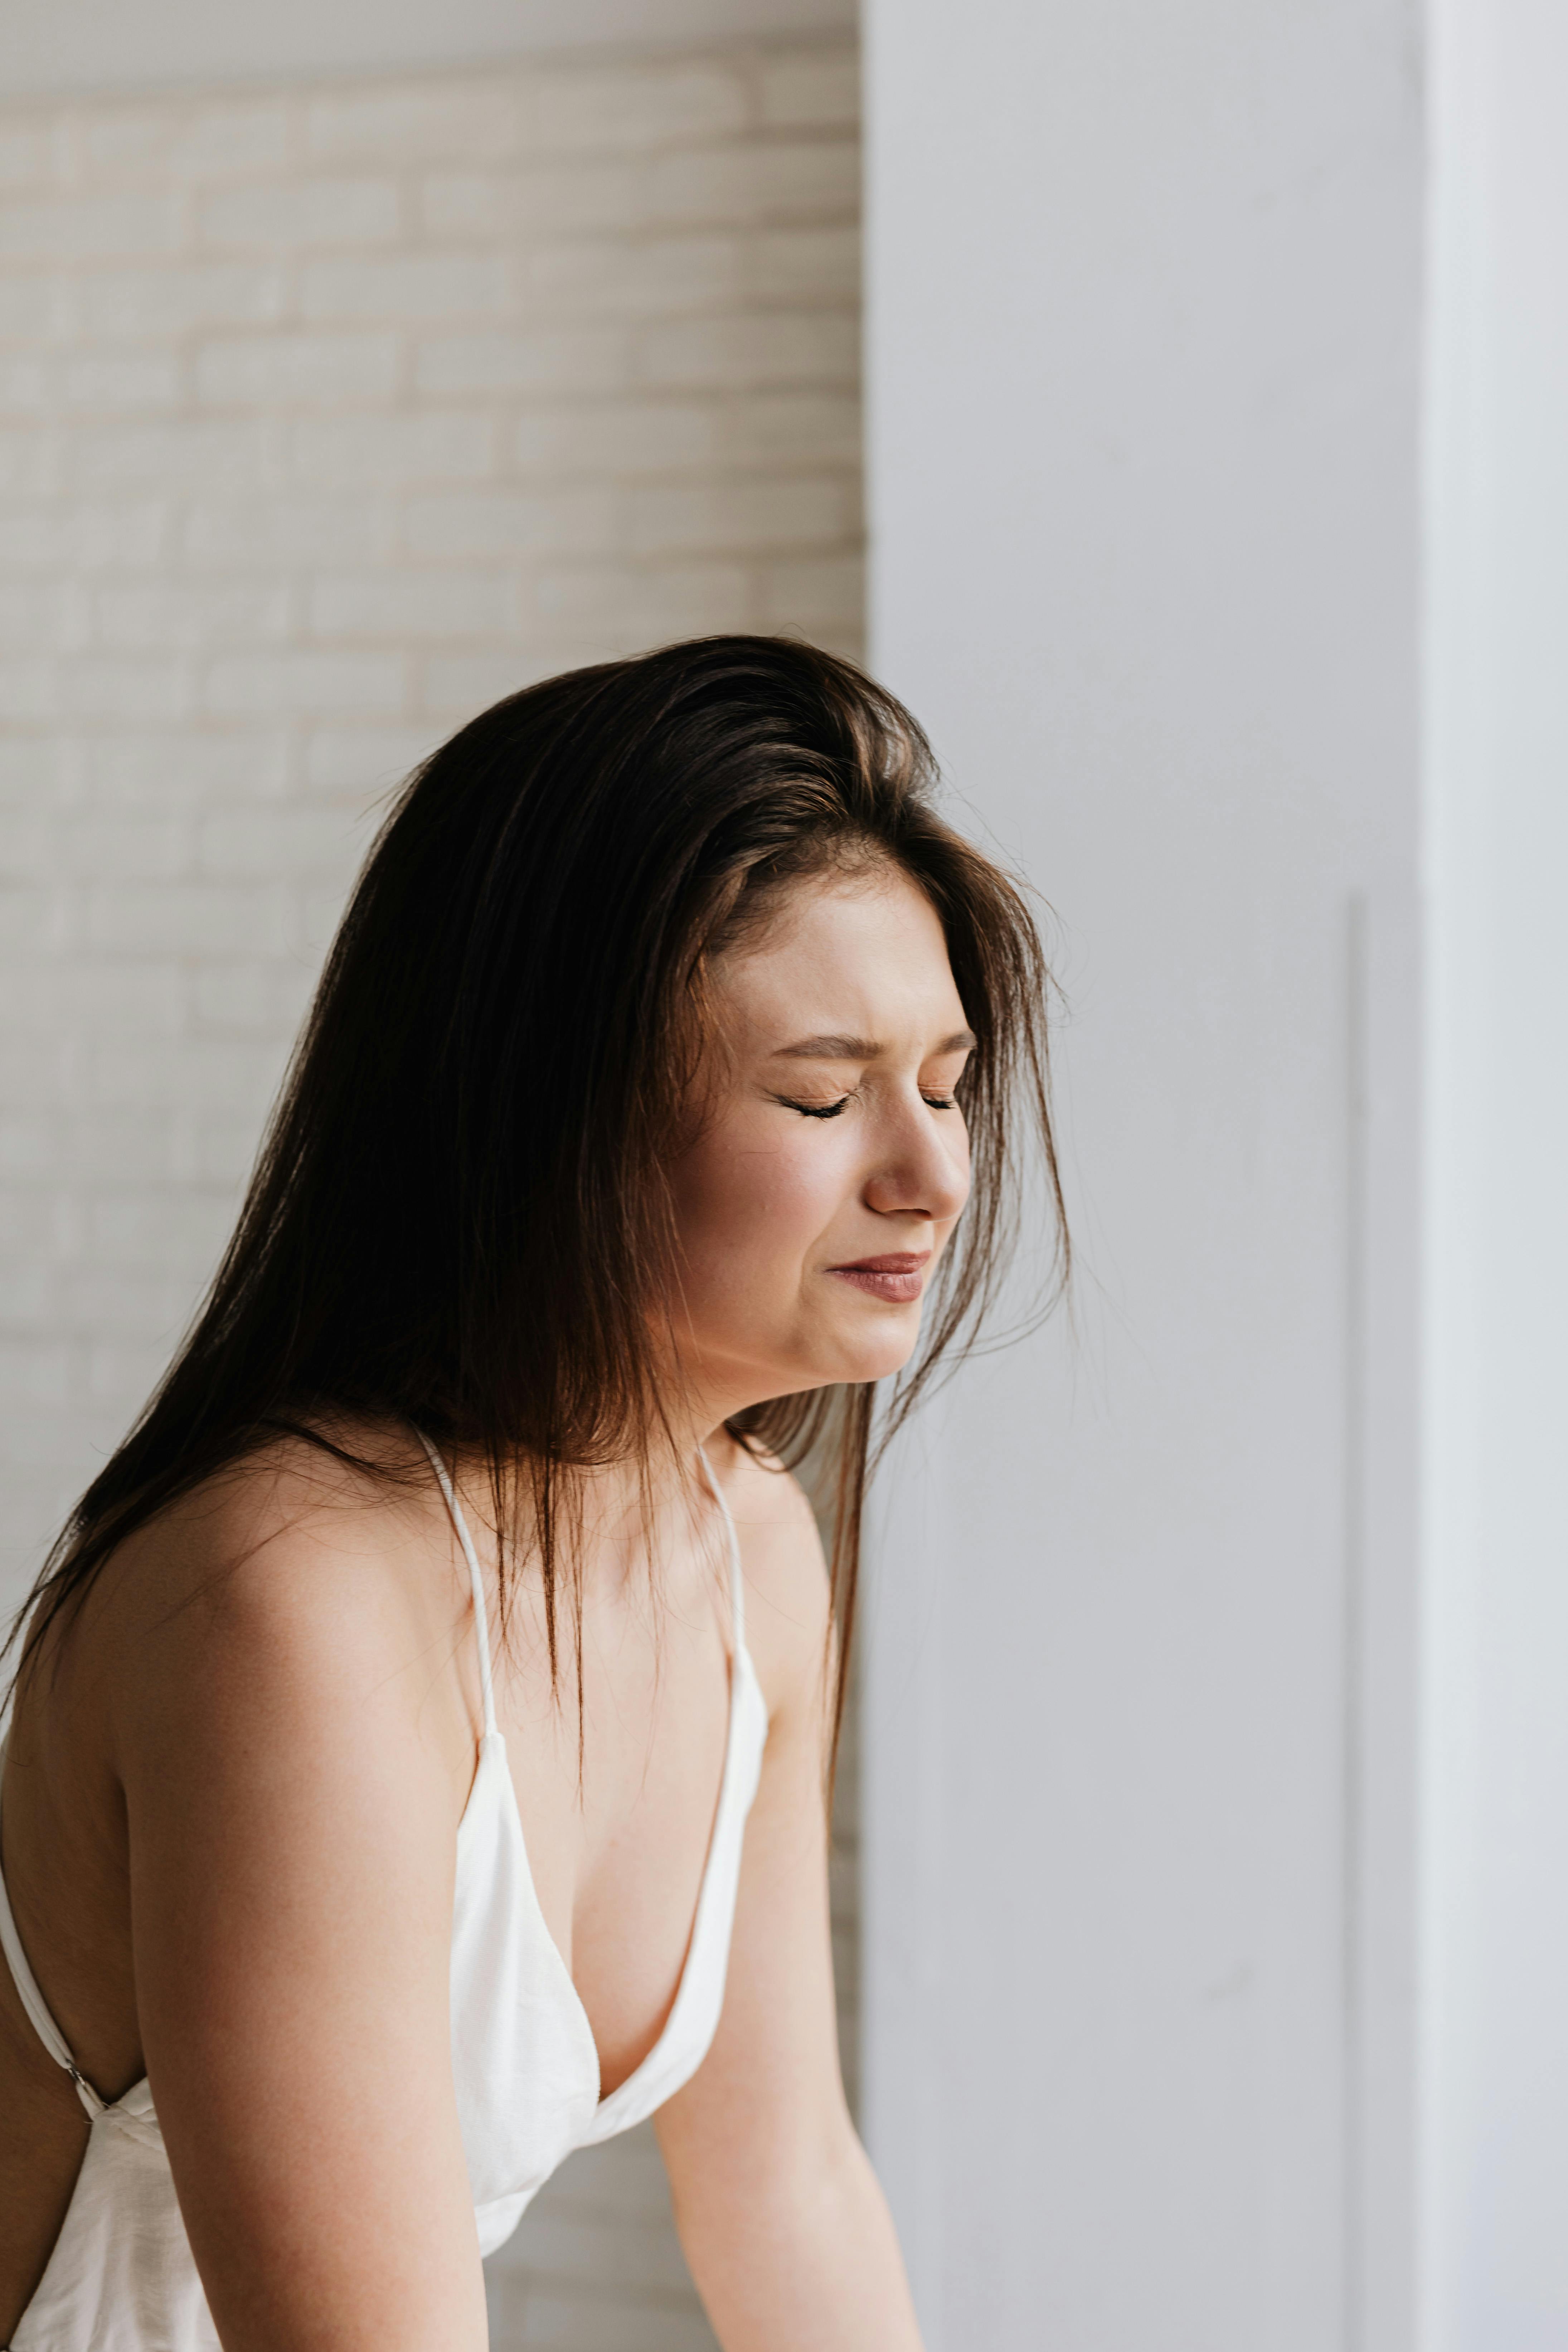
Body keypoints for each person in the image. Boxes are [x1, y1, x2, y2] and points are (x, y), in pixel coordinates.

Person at [0, 636, 1064, 2351]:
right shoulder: (296, 1600)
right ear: (550, 1113)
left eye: (945, 1084)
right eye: (819, 1088)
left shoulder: (753, 1562)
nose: (932, 1170)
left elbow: (786, 2192)